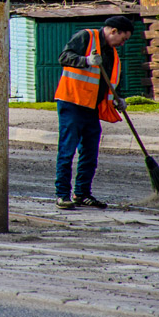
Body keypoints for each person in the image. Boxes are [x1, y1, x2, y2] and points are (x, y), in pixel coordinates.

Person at [53, 15, 134, 210]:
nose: (123, 44)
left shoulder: (112, 54)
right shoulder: (86, 37)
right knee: (67, 150)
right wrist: (86, 60)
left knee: (90, 153)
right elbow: (64, 57)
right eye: (123, 39)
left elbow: (109, 82)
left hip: (91, 108)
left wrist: (118, 100)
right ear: (114, 31)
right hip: (72, 102)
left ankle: (82, 193)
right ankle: (62, 195)